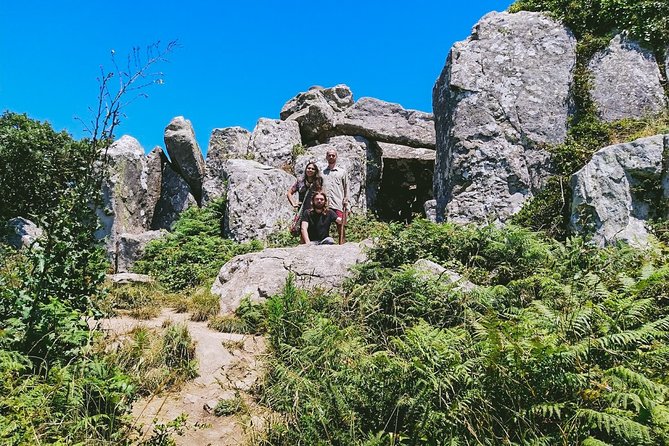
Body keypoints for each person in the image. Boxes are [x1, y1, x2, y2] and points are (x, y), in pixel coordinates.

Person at [322, 149, 349, 243]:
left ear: (336, 157)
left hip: (338, 203)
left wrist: (346, 201)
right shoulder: (322, 173)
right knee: (324, 225)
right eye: (329, 155)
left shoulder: (342, 172)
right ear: (326, 157)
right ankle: (324, 244)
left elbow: (346, 187)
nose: (331, 157)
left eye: (333, 155)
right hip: (325, 204)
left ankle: (342, 244)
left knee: (340, 225)